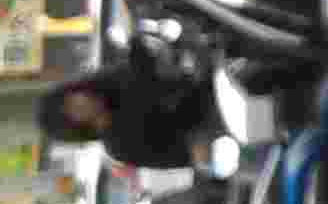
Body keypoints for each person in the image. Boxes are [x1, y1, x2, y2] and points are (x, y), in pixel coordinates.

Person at [42, 49, 221, 173]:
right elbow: (180, 157)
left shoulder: (113, 79)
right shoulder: (119, 145)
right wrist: (198, 149)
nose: (80, 102)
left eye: (71, 98)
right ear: (75, 127)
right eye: (73, 110)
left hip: (212, 84)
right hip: (213, 129)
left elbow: (152, 61)